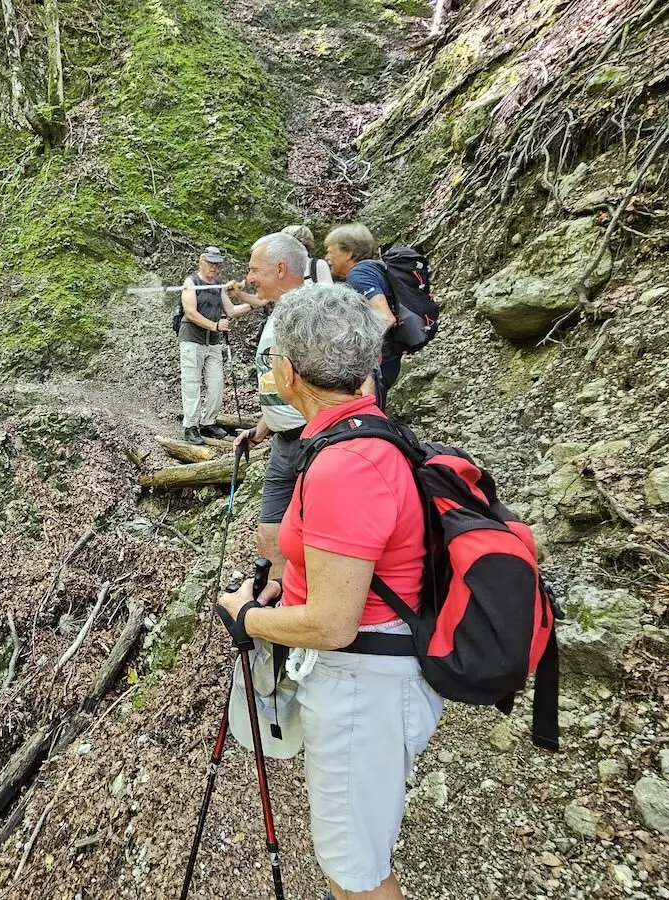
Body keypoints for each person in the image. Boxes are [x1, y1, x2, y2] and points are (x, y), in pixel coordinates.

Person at [218, 283, 441, 900]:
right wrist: (283, 592)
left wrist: (247, 617)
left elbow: (335, 624)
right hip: (372, 674)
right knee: (359, 857)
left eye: (272, 361)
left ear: (290, 374)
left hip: (362, 686)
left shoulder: (345, 465)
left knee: (356, 876)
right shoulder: (358, 434)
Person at [230, 233, 313, 575]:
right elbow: (282, 382)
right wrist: (262, 428)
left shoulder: (312, 312)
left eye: (255, 270)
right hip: (283, 441)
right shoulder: (281, 311)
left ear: (280, 269)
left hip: (313, 441)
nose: (249, 278)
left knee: (310, 538)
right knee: (269, 535)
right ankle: (274, 598)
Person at [177, 246, 253, 445]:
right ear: (201, 262)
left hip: (212, 343)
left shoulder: (218, 285)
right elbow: (190, 313)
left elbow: (231, 310)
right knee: (191, 384)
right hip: (192, 340)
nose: (214, 267)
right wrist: (215, 326)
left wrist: (255, 303)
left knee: (216, 384)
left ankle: (208, 422)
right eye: (210, 263)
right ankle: (190, 427)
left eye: (217, 264)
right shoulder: (191, 282)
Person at [324, 223, 400, 388]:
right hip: (389, 358)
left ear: (348, 253)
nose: (326, 258)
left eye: (330, 252)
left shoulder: (359, 275)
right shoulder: (374, 268)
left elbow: (386, 318)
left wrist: (358, 355)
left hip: (377, 364)